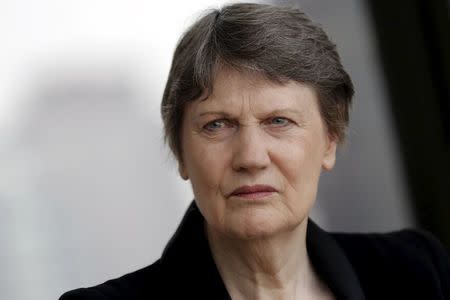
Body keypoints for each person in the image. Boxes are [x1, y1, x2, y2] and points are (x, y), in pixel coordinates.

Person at [60, 3, 450, 299]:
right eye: (217, 124)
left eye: (278, 121)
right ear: (180, 153)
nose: (251, 157)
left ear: (329, 141)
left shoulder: (417, 271)